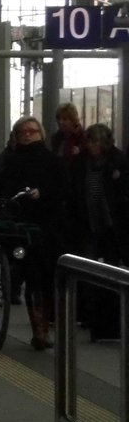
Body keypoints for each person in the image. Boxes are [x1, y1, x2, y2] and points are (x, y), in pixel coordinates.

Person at [0, 115, 68, 350]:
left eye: (32, 131)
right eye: (22, 132)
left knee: (42, 278)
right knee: (35, 275)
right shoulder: (7, 161)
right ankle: (40, 330)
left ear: (40, 134)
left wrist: (43, 194)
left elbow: (63, 190)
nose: (28, 135)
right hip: (19, 226)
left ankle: (42, 328)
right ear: (15, 137)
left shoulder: (52, 162)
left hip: (44, 226)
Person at [67, 123, 129, 340]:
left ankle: (107, 319)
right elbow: (74, 192)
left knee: (111, 270)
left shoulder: (118, 161)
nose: (92, 146)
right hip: (87, 224)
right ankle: (90, 315)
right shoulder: (81, 163)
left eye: (96, 142)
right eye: (90, 141)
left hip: (111, 226)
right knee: (88, 269)